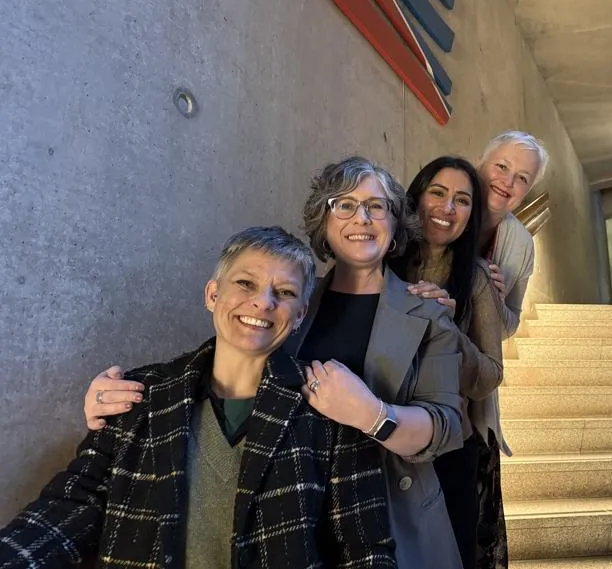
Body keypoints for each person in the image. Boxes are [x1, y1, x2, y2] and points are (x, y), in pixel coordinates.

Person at [81, 158, 465, 569]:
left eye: (377, 206)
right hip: (292, 512)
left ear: (394, 229)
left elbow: (447, 426)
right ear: (324, 221)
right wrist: (120, 400)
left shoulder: (426, 311)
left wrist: (373, 415)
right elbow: (224, 364)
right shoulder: (287, 297)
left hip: (394, 510)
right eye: (345, 205)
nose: (362, 218)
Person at [0, 226, 396, 569]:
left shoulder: (330, 408)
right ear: (212, 294)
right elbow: (68, 508)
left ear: (299, 316)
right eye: (246, 283)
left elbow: (364, 547)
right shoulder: (138, 397)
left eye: (285, 292)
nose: (263, 302)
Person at [390, 157, 505, 569]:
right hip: (381, 434)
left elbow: (490, 375)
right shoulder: (382, 260)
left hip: (450, 449)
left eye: (462, 200)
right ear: (417, 195)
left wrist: (448, 329)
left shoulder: (475, 278)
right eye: (437, 193)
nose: (447, 208)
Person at [476, 131, 550, 339]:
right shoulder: (443, 206)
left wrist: (495, 303)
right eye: (501, 166)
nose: (508, 181)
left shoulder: (523, 245)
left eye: (522, 178)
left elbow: (509, 328)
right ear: (479, 162)